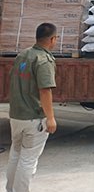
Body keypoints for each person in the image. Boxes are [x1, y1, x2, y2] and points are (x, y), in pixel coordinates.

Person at [6, 23, 58, 192]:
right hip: (33, 118)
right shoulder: (44, 60)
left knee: (15, 154)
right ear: (52, 39)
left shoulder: (23, 55)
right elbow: (45, 90)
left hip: (16, 116)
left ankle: (10, 189)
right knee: (28, 159)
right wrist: (50, 118)